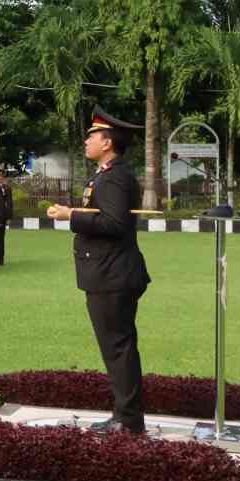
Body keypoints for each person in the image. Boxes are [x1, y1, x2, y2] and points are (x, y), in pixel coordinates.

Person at [45, 107, 151, 435]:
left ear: (107, 142)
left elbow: (115, 222)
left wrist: (70, 216)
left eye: (92, 135)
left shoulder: (116, 175)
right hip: (107, 272)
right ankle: (124, 416)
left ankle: (128, 420)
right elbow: (103, 213)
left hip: (113, 274)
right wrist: (75, 211)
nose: (86, 140)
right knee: (116, 347)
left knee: (118, 348)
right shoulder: (105, 173)